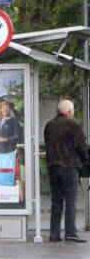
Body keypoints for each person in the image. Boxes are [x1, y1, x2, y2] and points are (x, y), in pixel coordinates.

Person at [43, 99, 88, 242]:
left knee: (56, 201)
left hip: (53, 167)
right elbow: (81, 146)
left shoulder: (49, 125)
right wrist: (85, 159)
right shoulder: (73, 124)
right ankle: (71, 232)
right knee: (70, 200)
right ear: (69, 111)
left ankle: (54, 234)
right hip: (69, 166)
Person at [0, 100, 22, 190]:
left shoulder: (15, 122)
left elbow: (18, 137)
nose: (5, 109)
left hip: (10, 152)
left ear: (10, 110)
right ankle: (1, 195)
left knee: (11, 174)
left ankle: (14, 196)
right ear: (0, 110)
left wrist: (5, 139)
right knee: (0, 174)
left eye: (7, 108)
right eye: (3, 108)